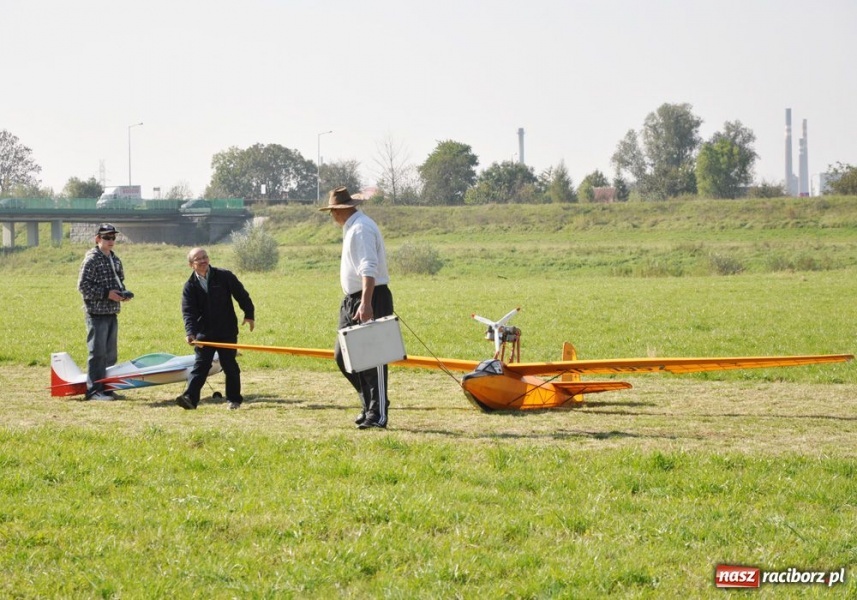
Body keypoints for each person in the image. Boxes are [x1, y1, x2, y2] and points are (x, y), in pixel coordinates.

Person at [320, 187, 394, 429]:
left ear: (339, 210)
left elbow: (368, 268)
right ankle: (370, 402)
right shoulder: (350, 227)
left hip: (369, 297)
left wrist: (366, 302)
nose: (331, 215)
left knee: (373, 358)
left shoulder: (360, 228)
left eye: (332, 210)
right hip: (353, 299)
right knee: (344, 357)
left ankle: (378, 413)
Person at [176, 247, 255, 410]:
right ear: (191, 264)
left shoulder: (224, 276)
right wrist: (190, 333)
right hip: (204, 333)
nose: (204, 260)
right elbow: (188, 312)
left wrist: (249, 314)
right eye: (199, 259)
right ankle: (190, 399)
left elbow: (242, 295)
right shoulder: (189, 286)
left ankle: (234, 400)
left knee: (229, 365)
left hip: (227, 330)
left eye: (205, 257)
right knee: (201, 365)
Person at [77, 223, 133, 400]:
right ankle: (94, 391)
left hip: (111, 311)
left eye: (113, 237)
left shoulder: (115, 259)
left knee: (110, 354)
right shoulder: (91, 259)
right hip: (96, 313)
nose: (111, 241)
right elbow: (83, 286)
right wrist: (107, 294)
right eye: (107, 237)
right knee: (97, 353)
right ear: (98, 239)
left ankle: (107, 388)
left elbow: (119, 282)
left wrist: (123, 294)